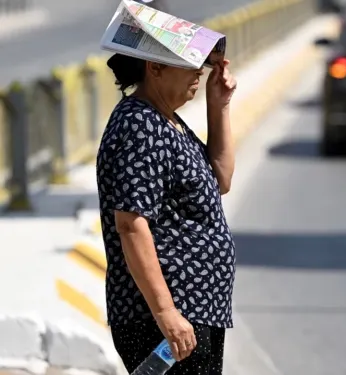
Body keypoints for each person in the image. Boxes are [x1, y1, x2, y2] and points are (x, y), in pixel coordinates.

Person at [96, 44, 237, 375]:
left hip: (194, 313)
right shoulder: (139, 126)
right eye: (189, 64)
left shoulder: (166, 121)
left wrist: (219, 105)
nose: (199, 72)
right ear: (154, 68)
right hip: (162, 320)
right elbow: (131, 224)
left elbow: (222, 178)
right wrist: (167, 314)